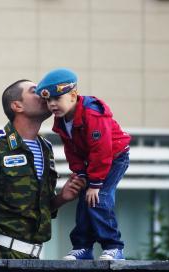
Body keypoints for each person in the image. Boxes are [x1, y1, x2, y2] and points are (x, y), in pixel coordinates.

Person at [0, 79, 85, 259]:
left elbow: (38, 209)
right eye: (35, 90)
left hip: (33, 259)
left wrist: (62, 198)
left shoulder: (45, 148)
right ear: (17, 105)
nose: (44, 93)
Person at [36, 68, 131, 260]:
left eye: (57, 98)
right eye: (48, 100)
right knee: (85, 201)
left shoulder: (92, 113)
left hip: (114, 157)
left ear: (73, 95)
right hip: (92, 163)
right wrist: (79, 173)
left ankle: (114, 246)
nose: (52, 104)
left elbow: (102, 150)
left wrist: (94, 183)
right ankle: (83, 247)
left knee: (99, 197)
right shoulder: (62, 120)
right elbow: (71, 150)